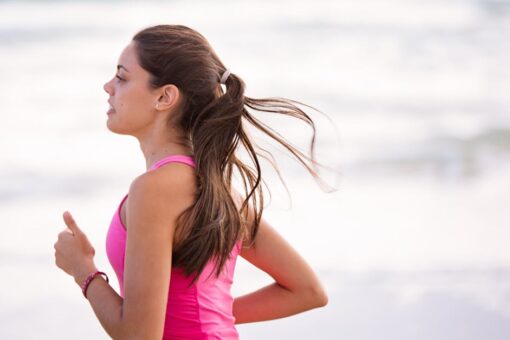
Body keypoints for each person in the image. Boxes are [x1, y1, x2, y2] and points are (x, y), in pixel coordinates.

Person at [54, 24, 329, 339]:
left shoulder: (154, 190)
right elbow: (307, 290)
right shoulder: (218, 189)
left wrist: (83, 271)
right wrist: (210, 318)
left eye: (122, 77)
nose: (108, 86)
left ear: (164, 96)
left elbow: (139, 336)